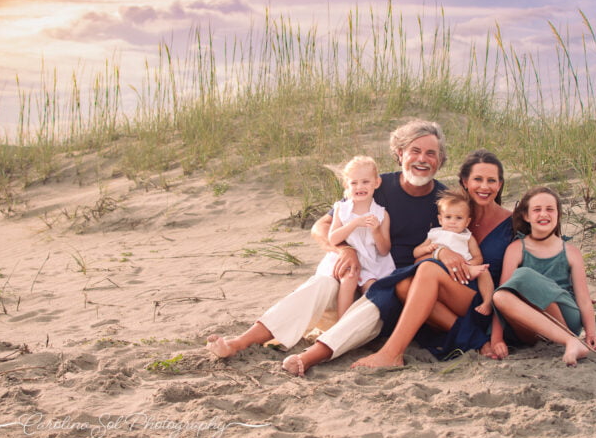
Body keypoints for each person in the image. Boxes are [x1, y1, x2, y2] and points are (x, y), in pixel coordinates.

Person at [206, 119, 447, 375]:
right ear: (400, 154)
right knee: (322, 283)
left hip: (394, 291)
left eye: (430, 153)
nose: (422, 159)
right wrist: (345, 249)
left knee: (378, 298)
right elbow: (321, 227)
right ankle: (239, 342)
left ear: (440, 160)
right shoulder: (374, 184)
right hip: (351, 278)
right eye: (415, 151)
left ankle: (308, 358)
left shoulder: (444, 200)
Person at [283, 149, 514, 375]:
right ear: (464, 182)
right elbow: (421, 254)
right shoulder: (446, 208)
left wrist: (497, 334)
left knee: (421, 273)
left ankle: (392, 352)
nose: (484, 187)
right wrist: (440, 252)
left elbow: (511, 282)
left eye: (491, 180)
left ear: (500, 184)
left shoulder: (512, 223)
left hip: (478, 297)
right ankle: (317, 352)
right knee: (401, 285)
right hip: (441, 289)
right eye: (478, 179)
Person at [489, 186, 596, 365]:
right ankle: (570, 342)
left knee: (523, 275)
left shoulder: (571, 252)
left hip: (566, 320)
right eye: (537, 210)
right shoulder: (516, 249)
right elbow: (503, 298)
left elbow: (583, 299)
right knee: (500, 295)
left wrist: (591, 334)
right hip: (530, 327)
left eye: (550, 209)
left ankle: (570, 339)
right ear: (526, 216)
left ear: (558, 214)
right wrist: (497, 339)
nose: (544, 214)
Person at [321, 156, 395, 318]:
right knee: (349, 277)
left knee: (372, 288)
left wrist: (375, 231)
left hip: (370, 262)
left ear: (376, 183)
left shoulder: (381, 214)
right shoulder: (342, 209)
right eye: (354, 183)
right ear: (347, 184)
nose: (359, 187)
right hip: (348, 260)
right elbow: (333, 239)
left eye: (365, 182)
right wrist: (353, 224)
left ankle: (361, 323)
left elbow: (384, 250)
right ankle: (341, 323)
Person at [411, 188, 493, 316]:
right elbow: (416, 252)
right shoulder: (435, 234)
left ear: (467, 221)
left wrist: (467, 265)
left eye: (459, 218)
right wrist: (426, 249)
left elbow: (478, 257)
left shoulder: (467, 237)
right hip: (440, 271)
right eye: (448, 217)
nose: (453, 221)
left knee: (484, 271)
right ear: (440, 219)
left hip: (465, 271)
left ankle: (487, 302)